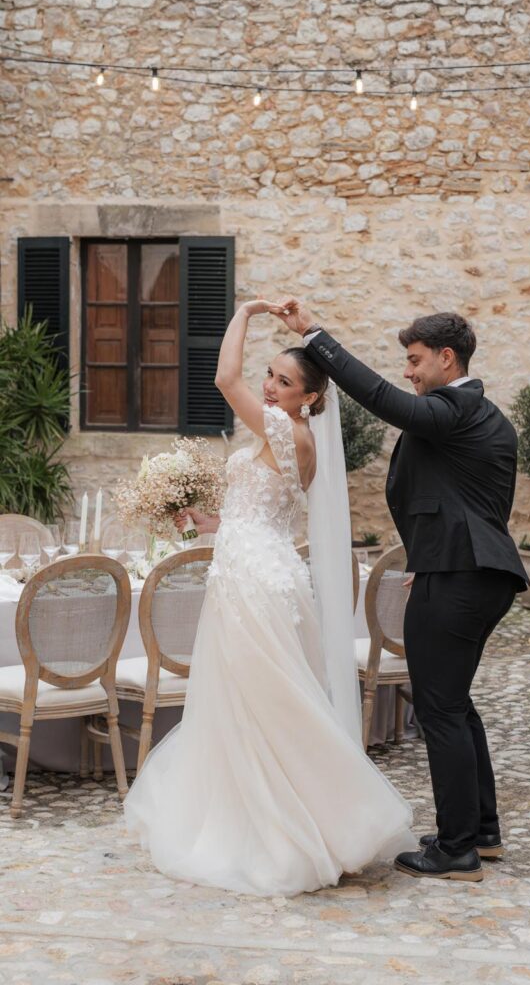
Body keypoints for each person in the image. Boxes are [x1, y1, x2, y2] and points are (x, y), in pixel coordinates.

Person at [122, 299, 415, 896]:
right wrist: (205, 521)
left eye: (283, 382)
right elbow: (258, 514)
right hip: (259, 568)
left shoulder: (284, 429)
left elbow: (224, 378)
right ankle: (270, 817)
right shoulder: (296, 439)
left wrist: (247, 310)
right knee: (253, 698)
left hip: (253, 583)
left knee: (266, 699)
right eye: (270, 375)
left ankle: (290, 831)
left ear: (310, 398)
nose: (269, 386)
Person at [274, 301, 530, 883]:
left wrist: (315, 335)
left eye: (415, 361)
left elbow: (381, 399)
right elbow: (471, 503)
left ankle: (457, 850)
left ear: (447, 359)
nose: (408, 372)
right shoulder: (484, 415)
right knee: (455, 704)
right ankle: (480, 832)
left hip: (459, 578)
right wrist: (430, 553)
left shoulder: (454, 408)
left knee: (439, 710)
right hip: (474, 572)